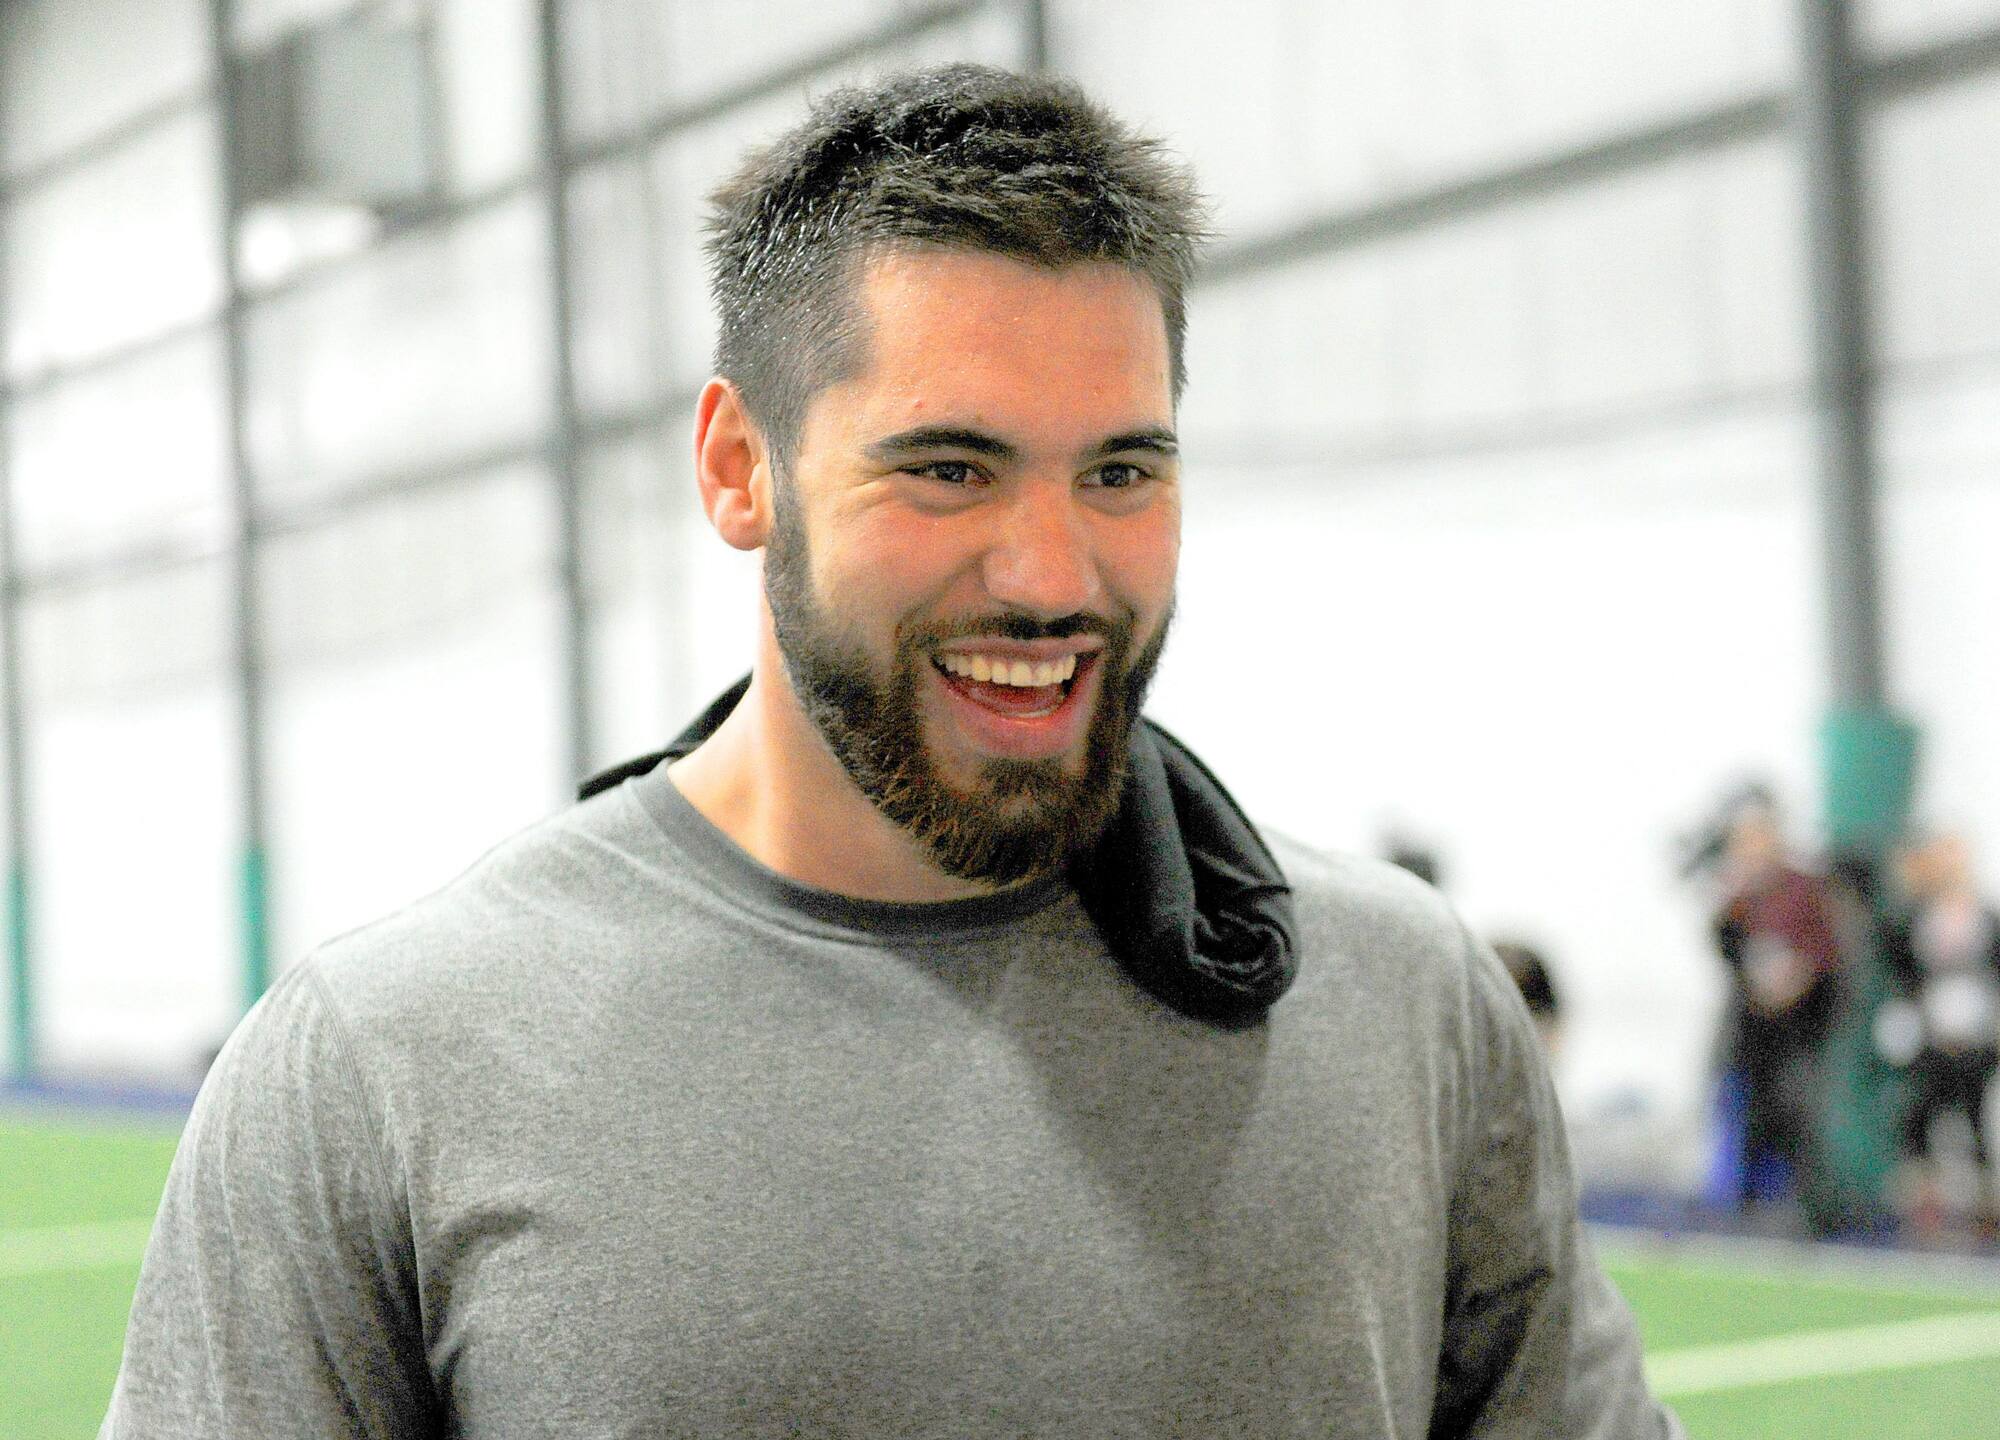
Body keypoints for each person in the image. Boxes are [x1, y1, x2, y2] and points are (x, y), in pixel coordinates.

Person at [103, 65, 1679, 1438]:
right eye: (947, 468)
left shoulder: (1403, 1005)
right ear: (741, 469)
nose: (1051, 575)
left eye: (1122, 471)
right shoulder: (385, 1065)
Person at [1709, 792, 1843, 1216]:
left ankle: (1800, 1206)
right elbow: (1726, 950)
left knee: (1795, 1117)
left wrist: (1796, 980)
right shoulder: (1737, 896)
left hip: (1798, 1033)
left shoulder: (1804, 890)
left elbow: (1827, 955)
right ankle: (1739, 1206)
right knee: (1744, 1119)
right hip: (1751, 1034)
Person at [1884, 830, 2000, 1233]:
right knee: (1921, 1119)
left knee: (1974, 1121)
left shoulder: (1985, 916)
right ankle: (1923, 1204)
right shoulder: (1918, 913)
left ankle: (1984, 1207)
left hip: (1975, 1039)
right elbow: (1901, 966)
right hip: (1930, 1037)